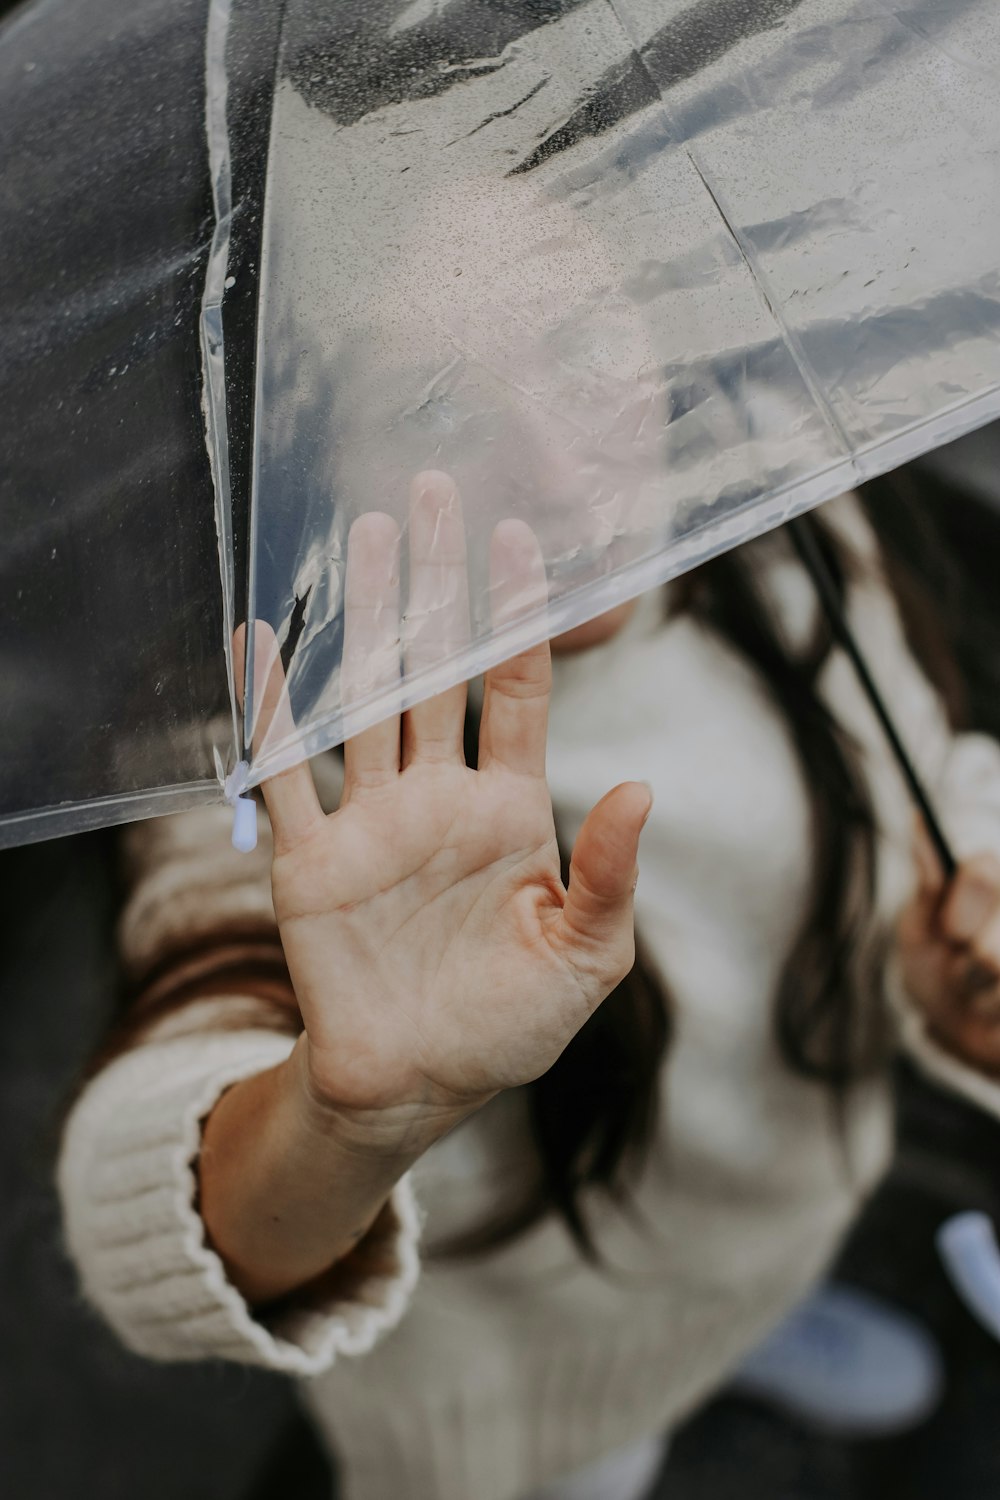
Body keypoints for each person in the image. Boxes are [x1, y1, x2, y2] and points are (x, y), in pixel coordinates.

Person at [58, 468, 1000, 1500]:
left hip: (781, 1213)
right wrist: (339, 1118)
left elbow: (916, 763)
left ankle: (749, 1337)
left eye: (584, 339)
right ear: (314, 436)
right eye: (444, 405)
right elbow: (164, 1167)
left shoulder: (774, 515)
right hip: (537, 1384)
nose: (562, 469)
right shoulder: (250, 736)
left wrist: (951, 925)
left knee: (740, 1297)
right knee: (604, 1468)